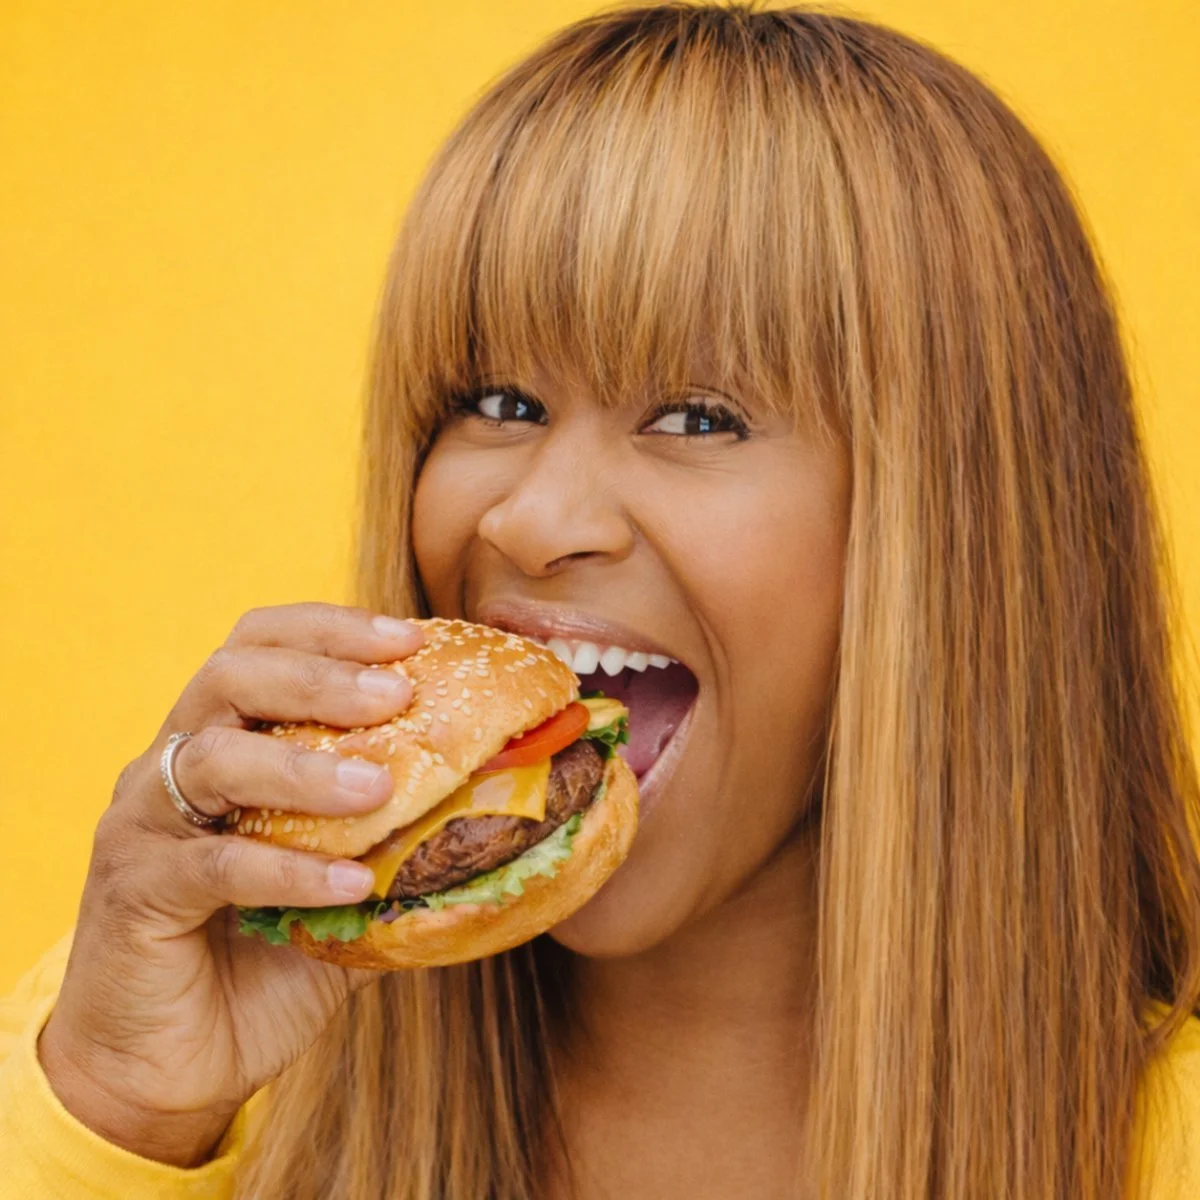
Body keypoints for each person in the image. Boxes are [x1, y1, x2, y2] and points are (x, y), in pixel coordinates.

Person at [2, 5, 1198, 1198]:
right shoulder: (164, 1069)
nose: (526, 519)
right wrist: (121, 1115)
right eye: (500, 401)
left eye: (697, 417)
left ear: (959, 530)